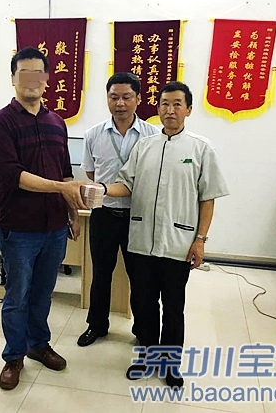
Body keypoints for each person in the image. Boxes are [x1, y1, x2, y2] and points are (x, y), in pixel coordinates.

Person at [105, 81, 229, 388]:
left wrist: (200, 240)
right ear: (157, 108)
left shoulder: (200, 148)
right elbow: (126, 185)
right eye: (164, 104)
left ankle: (170, 363)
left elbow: (208, 198)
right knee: (143, 304)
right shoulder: (144, 146)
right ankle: (146, 355)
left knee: (173, 307)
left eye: (176, 104)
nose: (169, 110)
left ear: (188, 110)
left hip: (179, 244)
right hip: (141, 242)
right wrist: (101, 189)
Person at [0, 47, 88, 391]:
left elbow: (65, 172)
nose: (32, 81)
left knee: (43, 293)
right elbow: (13, 175)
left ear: (46, 80)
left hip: (55, 227)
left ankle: (38, 345)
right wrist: (61, 187)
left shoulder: (57, 122)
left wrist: (72, 213)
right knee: (17, 295)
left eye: (38, 74)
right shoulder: (1, 123)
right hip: (19, 227)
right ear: (13, 79)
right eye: (24, 73)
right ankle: (14, 356)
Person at [77, 72, 158, 347]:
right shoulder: (93, 134)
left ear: (138, 99)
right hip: (105, 213)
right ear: (107, 99)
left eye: (126, 97)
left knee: (141, 277)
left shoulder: (152, 135)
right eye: (114, 97)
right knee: (101, 274)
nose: (120, 103)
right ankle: (97, 325)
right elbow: (91, 172)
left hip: (139, 216)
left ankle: (143, 330)